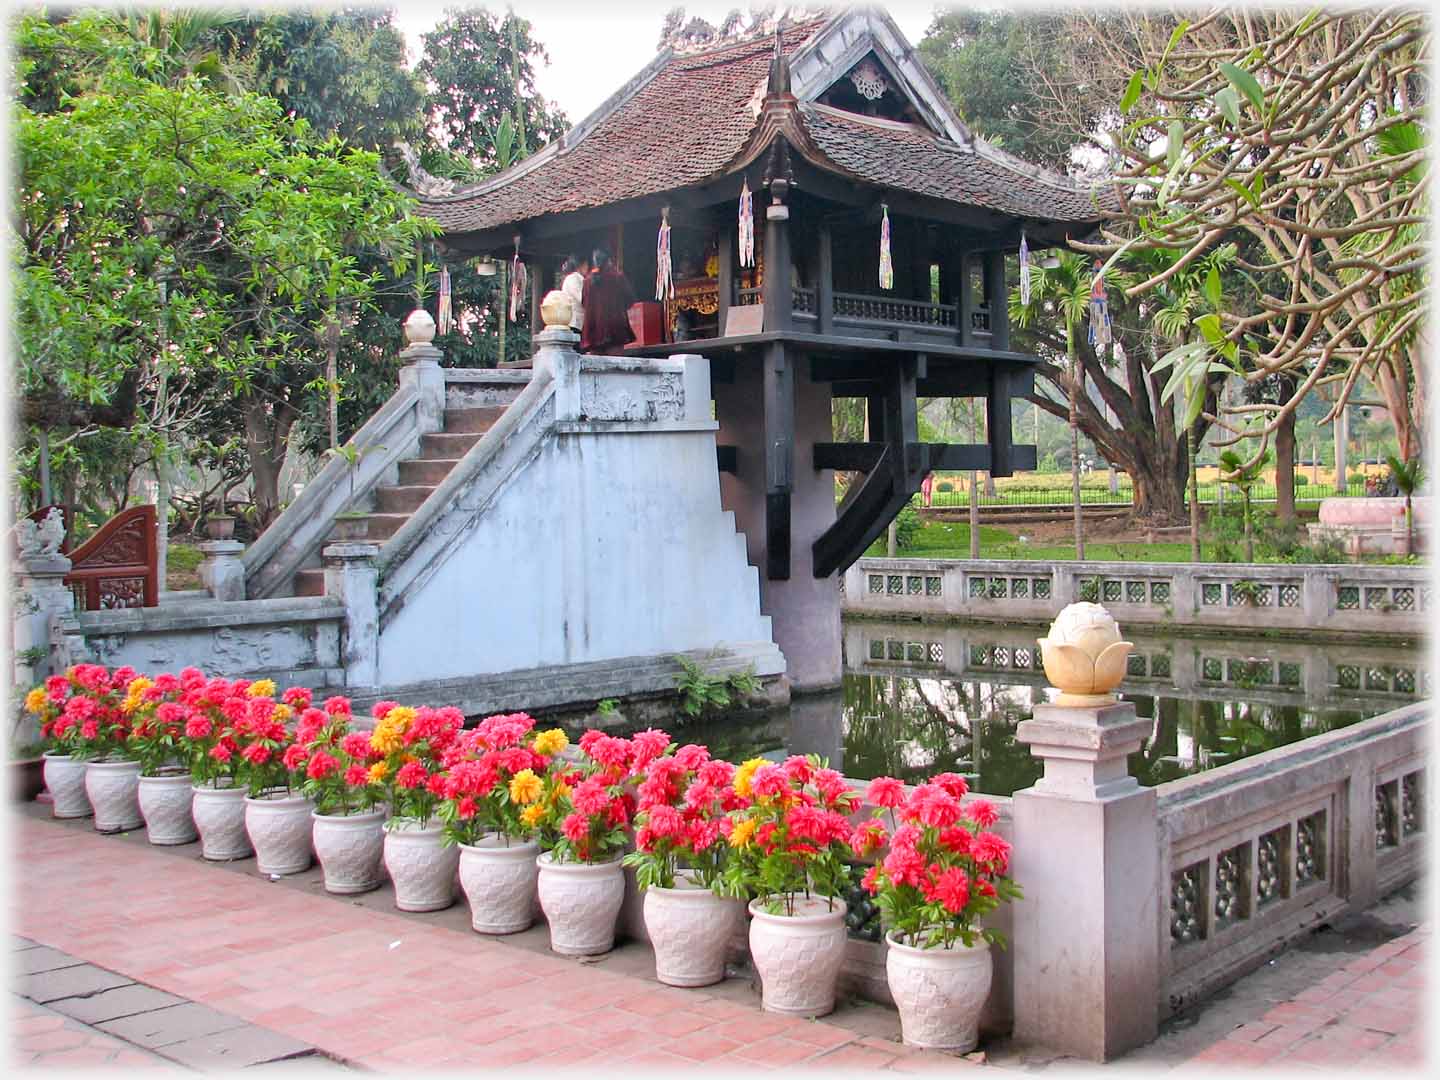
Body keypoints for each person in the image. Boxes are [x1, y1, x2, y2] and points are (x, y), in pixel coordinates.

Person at [580, 247, 636, 353]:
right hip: (615, 331)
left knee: (596, 367)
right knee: (616, 366)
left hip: (593, 333)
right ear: (609, 260)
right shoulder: (617, 277)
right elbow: (630, 299)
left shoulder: (587, 281)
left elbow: (583, 303)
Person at [559, 253, 590, 335]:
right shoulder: (574, 278)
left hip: (578, 322)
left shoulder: (574, 278)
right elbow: (582, 298)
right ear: (581, 265)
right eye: (586, 265)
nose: (587, 267)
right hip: (575, 322)